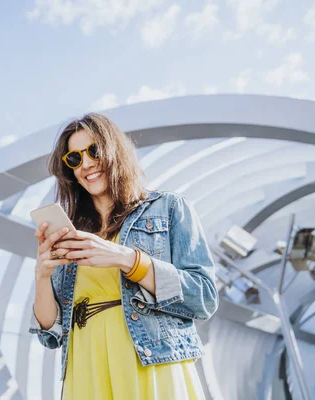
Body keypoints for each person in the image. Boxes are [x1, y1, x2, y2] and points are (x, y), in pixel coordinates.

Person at [29, 113, 218, 399]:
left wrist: (126, 258)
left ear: (115, 150)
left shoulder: (168, 208)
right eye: (74, 159)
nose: (87, 164)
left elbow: (204, 297)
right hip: (85, 367)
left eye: (94, 151)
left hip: (150, 362)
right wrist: (42, 275)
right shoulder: (73, 234)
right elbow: (50, 333)